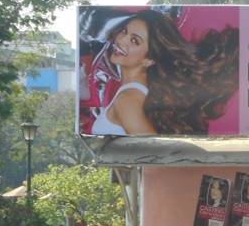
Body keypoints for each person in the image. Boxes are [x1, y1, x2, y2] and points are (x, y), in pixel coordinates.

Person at [87, 9, 238, 136]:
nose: (121, 40)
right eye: (124, 31)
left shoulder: (127, 99)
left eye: (135, 41)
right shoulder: (142, 92)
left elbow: (155, 154)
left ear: (149, 60)